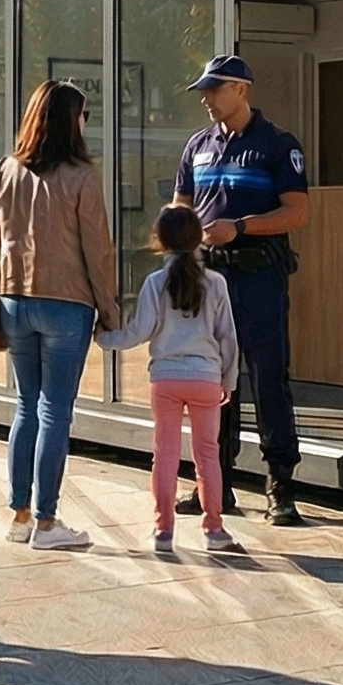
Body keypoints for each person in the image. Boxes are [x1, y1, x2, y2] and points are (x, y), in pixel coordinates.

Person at [0, 79, 121, 552]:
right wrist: (109, 308)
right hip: (67, 302)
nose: (86, 123)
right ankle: (47, 521)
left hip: (14, 299)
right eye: (84, 114)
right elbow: (97, 250)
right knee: (55, 412)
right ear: (69, 120)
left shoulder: (7, 168)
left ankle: (19, 515)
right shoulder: (83, 175)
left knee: (25, 406)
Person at [172, 54, 311, 526]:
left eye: (215, 90)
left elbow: (297, 212)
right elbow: (182, 208)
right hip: (209, 279)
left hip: (257, 277)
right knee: (212, 383)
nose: (207, 100)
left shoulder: (276, 145)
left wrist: (243, 227)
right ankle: (215, 484)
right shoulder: (197, 146)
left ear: (241, 89)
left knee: (268, 376)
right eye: (205, 91)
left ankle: (280, 487)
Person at [100, 205, 241, 554]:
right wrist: (229, 379)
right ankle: (214, 528)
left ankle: (163, 531)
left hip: (165, 378)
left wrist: (104, 337)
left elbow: (140, 331)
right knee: (208, 454)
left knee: (164, 455)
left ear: (159, 241)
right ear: (199, 238)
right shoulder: (216, 283)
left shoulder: (154, 283)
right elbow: (228, 338)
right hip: (207, 378)